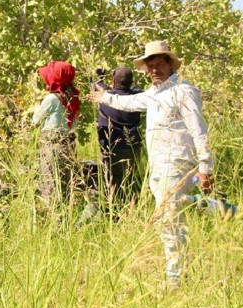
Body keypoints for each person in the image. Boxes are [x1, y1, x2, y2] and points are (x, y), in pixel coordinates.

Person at [88, 40, 215, 286]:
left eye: (159, 65)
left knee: (168, 220)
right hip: (158, 165)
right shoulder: (154, 93)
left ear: (170, 64)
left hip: (177, 163)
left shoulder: (184, 91)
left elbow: (199, 130)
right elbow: (130, 103)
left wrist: (205, 167)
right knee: (171, 212)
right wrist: (105, 97)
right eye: (151, 66)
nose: (155, 70)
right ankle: (212, 207)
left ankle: (174, 279)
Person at [32, 61, 81, 213]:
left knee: (50, 183)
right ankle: (65, 215)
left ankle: (53, 217)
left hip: (51, 144)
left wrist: (36, 107)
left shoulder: (52, 98)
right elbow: (73, 125)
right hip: (68, 144)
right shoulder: (72, 98)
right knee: (65, 183)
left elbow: (35, 120)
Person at [96, 66, 143, 207]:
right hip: (133, 145)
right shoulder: (138, 98)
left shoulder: (106, 98)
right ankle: (131, 206)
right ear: (131, 82)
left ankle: (113, 208)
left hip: (112, 146)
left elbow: (99, 87)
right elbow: (137, 91)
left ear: (113, 81)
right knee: (130, 178)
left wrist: (100, 78)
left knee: (111, 180)